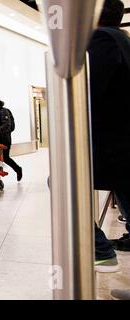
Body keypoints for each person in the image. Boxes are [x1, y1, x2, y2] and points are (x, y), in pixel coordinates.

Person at [88, 0, 130, 273]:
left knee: (60, 182)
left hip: (114, 147)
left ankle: (101, 251)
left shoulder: (101, 39)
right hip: (123, 147)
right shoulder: (124, 40)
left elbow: (89, 93)